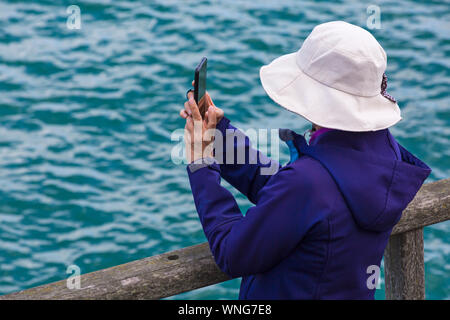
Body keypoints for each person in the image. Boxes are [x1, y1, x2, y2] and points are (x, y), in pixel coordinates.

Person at [179, 21, 431, 299]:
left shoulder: (308, 184)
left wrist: (201, 163)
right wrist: (219, 138)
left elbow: (232, 253)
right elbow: (292, 197)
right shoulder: (384, 157)